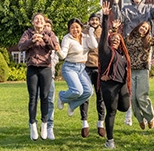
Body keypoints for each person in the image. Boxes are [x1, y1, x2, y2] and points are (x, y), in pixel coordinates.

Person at [112, 0, 154, 126]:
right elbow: (118, 18)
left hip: (144, 47)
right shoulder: (126, 9)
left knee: (141, 90)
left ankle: (148, 115)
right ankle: (137, 116)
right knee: (132, 92)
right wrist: (115, 4)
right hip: (130, 45)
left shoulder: (148, 8)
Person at [18, 13, 60, 141]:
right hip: (32, 67)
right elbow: (20, 46)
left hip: (45, 67)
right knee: (32, 97)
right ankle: (32, 125)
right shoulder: (28, 33)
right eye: (36, 19)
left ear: (44, 22)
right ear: (32, 22)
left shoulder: (49, 33)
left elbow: (54, 46)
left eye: (41, 19)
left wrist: (44, 38)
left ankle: (44, 124)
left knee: (45, 97)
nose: (39, 21)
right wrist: (32, 41)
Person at [99, 1, 132, 149]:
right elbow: (105, 35)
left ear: (121, 42)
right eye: (113, 38)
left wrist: (116, 29)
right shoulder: (105, 52)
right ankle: (109, 140)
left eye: (118, 38)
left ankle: (115, 102)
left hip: (122, 84)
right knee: (111, 112)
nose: (115, 39)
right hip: (109, 84)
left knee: (125, 107)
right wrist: (106, 18)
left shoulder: (123, 55)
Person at [56, 18, 98, 118]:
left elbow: (94, 45)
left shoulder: (85, 37)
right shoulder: (67, 38)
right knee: (77, 90)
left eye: (77, 27)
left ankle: (72, 105)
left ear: (81, 28)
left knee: (88, 92)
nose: (75, 30)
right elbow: (63, 56)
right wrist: (58, 50)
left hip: (82, 68)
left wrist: (91, 32)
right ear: (69, 29)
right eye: (72, 28)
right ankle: (62, 96)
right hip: (69, 67)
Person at [124, 21, 154, 130]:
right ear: (138, 26)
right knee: (133, 98)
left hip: (143, 70)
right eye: (142, 26)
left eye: (146, 28)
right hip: (130, 71)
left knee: (141, 97)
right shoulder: (128, 39)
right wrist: (114, 29)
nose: (143, 29)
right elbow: (117, 42)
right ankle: (140, 118)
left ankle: (150, 117)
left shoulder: (148, 40)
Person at [78, 13, 106, 138]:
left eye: (96, 20)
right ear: (88, 21)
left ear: (99, 21)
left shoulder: (104, 32)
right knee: (85, 95)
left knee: (100, 97)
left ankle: (101, 123)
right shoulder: (83, 32)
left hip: (100, 67)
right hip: (86, 67)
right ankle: (84, 123)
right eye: (92, 20)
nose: (94, 22)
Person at [44, 18, 59, 140]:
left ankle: (50, 126)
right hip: (37, 73)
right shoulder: (36, 36)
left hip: (50, 73)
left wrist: (50, 65)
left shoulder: (54, 38)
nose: (47, 27)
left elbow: (56, 55)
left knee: (50, 101)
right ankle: (40, 124)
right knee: (37, 100)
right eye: (45, 25)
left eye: (49, 25)